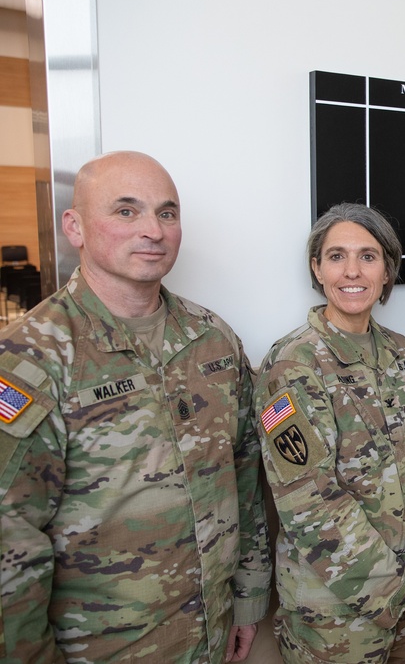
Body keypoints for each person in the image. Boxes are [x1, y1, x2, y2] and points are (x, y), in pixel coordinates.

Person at [0, 151, 271, 663]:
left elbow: (244, 471)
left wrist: (248, 597)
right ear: (75, 227)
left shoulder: (213, 339)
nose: (153, 229)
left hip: (210, 635)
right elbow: (10, 540)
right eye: (126, 211)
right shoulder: (30, 359)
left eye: (167, 213)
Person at [254, 203, 405, 663]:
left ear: (387, 270)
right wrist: (397, 590)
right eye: (336, 256)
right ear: (317, 268)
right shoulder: (294, 364)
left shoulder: (400, 352)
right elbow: (310, 501)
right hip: (337, 616)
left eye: (368, 256)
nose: (353, 271)